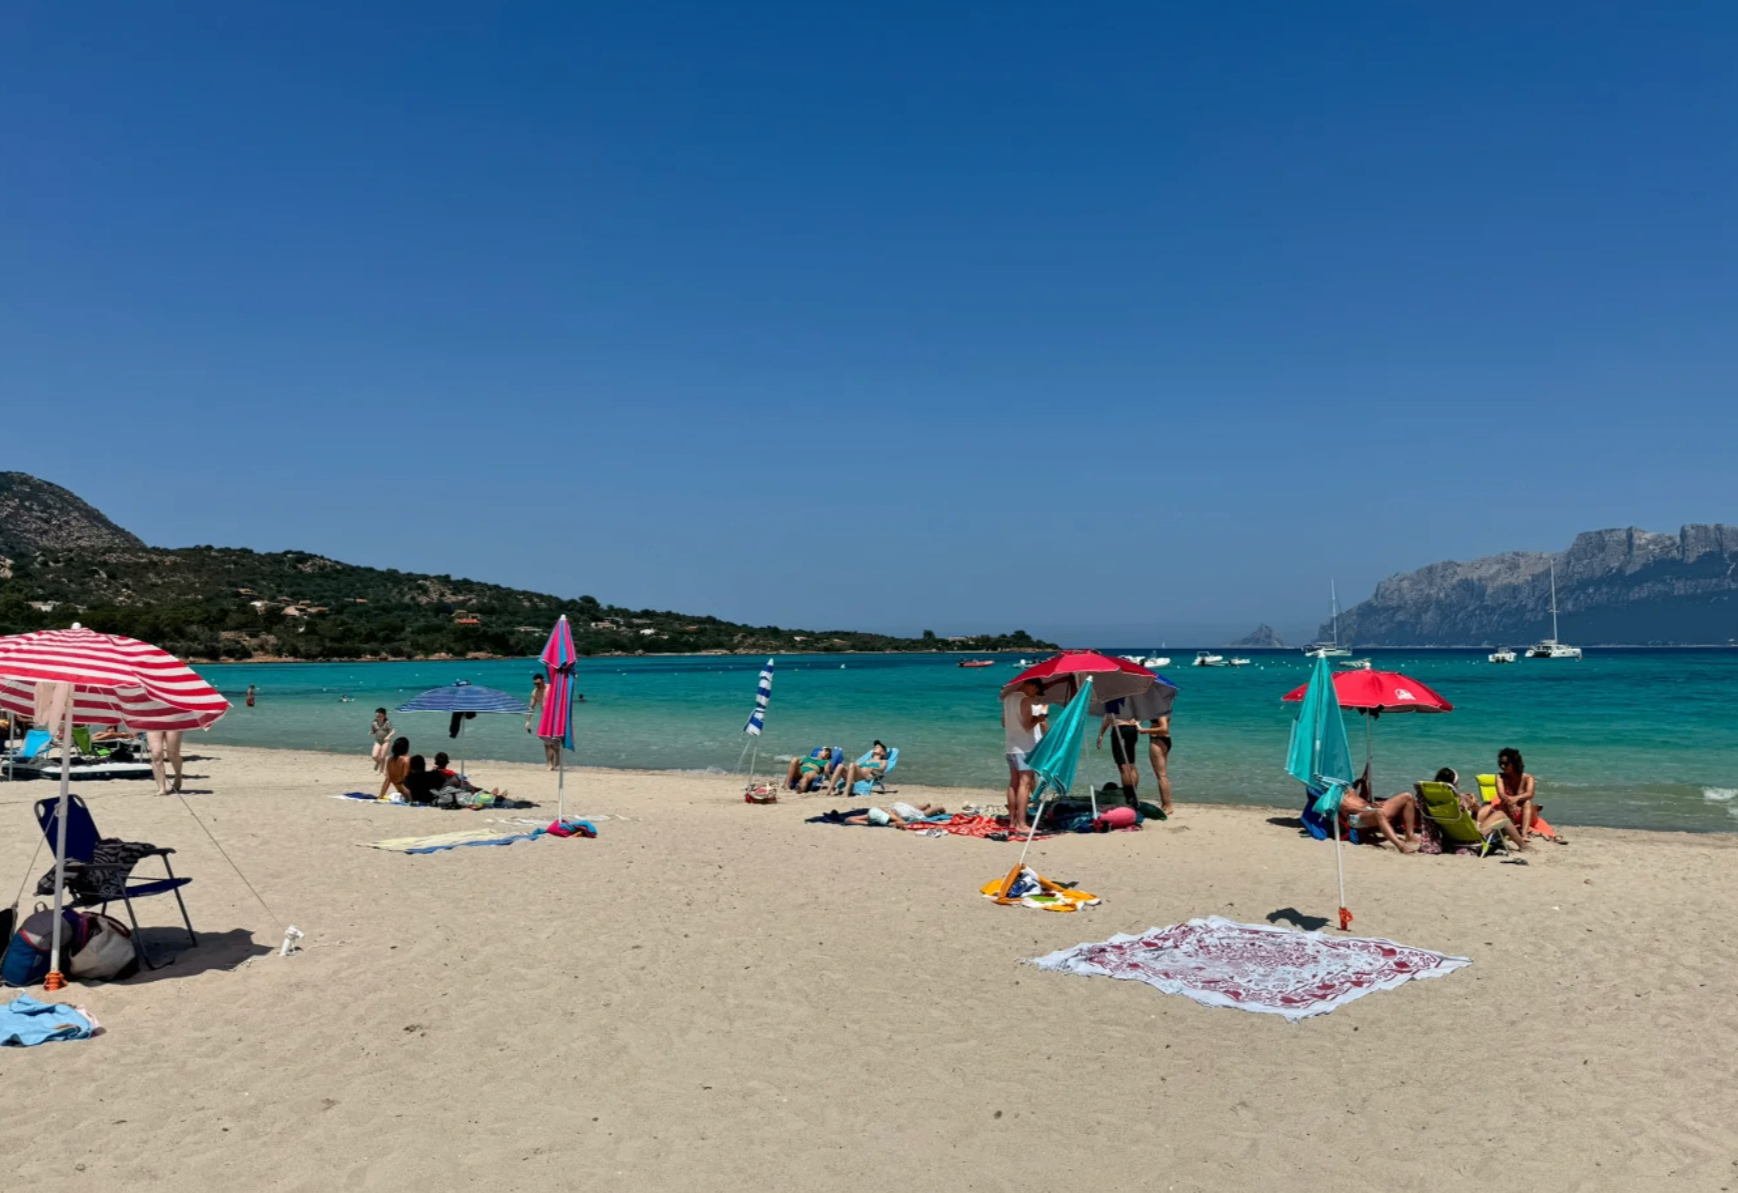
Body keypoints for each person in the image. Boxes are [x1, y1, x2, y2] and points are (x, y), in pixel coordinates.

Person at [1434, 767, 1526, 851]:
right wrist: (1470, 802)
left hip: (1451, 834)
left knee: (1488, 808)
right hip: (1469, 836)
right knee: (1500, 814)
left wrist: (1471, 804)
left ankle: (1504, 834)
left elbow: (1475, 813)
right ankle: (1523, 846)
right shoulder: (1460, 799)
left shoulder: (1437, 798)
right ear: (1454, 782)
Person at [1002, 679, 1048, 835]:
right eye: (1035, 691)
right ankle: (1022, 823)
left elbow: (1004, 723)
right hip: (1025, 747)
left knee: (1013, 783)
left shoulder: (1008, 698)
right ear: (1032, 686)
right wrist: (1039, 719)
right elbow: (1028, 725)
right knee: (1025, 784)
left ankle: (1012, 821)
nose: (1034, 694)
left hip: (1011, 747)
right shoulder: (1025, 699)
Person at [1338, 774, 1421, 853]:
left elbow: (1360, 800)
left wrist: (1371, 804)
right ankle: (1400, 845)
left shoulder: (1348, 787)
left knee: (1407, 797)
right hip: (1355, 817)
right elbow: (1347, 808)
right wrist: (1367, 808)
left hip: (1368, 809)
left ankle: (1410, 836)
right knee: (1378, 813)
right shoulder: (1334, 791)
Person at [1095, 697, 1141, 807]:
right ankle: (1134, 795)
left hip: (1119, 729)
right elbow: (1140, 712)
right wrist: (1137, 723)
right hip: (1132, 729)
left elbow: (1108, 716)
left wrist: (1101, 734)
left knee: (1123, 766)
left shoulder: (1113, 694)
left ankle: (1129, 797)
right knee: (1131, 764)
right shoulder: (1132, 695)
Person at [1495, 747, 1538, 841]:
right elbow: (1501, 794)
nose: (1502, 766)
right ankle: (1512, 830)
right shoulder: (1500, 777)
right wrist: (1510, 802)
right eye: (1501, 763)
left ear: (1514, 763)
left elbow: (1530, 794)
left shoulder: (1528, 778)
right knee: (1503, 802)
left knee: (1527, 802)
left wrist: (1515, 798)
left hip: (1526, 815)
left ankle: (1524, 833)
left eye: (1506, 764)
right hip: (1509, 812)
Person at [1138, 711, 1174, 817]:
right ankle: (1165, 804)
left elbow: (1164, 728)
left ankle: (1168, 805)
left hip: (1157, 740)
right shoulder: (1165, 707)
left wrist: (1146, 730)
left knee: (1161, 776)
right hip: (1164, 740)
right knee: (1163, 775)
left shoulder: (1160, 710)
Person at [146, 729, 185, 796]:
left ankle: (178, 775)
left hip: (172, 720)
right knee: (156, 754)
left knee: (173, 754)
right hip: (152, 721)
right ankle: (162, 788)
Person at [842, 801, 945, 826]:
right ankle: (926, 804)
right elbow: (848, 820)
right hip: (897, 806)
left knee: (921, 813)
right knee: (915, 810)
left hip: (901, 811)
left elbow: (902, 823)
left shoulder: (889, 815)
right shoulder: (873, 814)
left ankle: (938, 807)